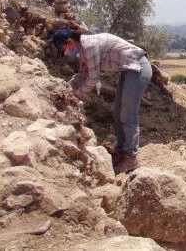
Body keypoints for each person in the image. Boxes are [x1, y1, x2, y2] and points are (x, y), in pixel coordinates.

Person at [52, 27, 151, 174]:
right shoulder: (83, 51)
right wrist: (67, 87)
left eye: (64, 49)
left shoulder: (90, 46)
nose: (66, 53)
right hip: (129, 69)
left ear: (69, 41)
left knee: (127, 114)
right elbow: (82, 74)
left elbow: (93, 78)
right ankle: (121, 152)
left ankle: (131, 158)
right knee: (118, 112)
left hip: (139, 68)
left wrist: (78, 94)